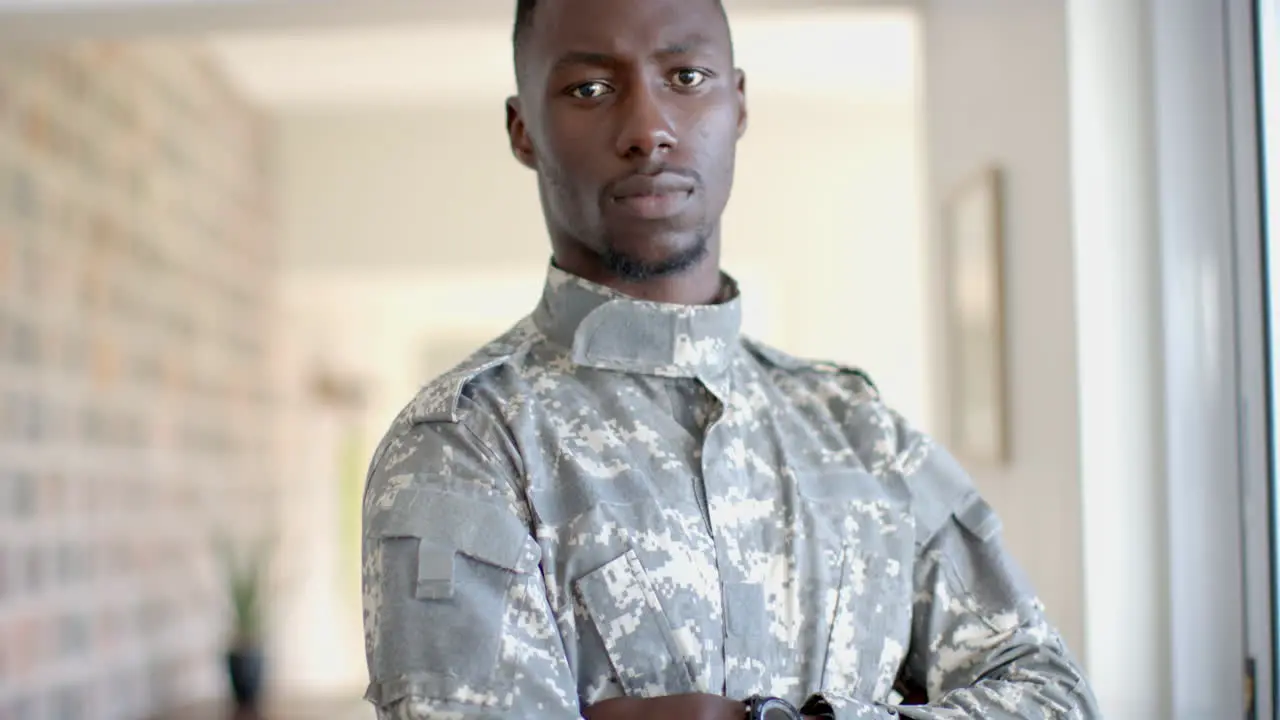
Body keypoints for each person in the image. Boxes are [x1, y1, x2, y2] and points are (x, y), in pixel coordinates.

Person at [360, 0, 1101, 718]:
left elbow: (1051, 696)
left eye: (685, 78)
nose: (648, 129)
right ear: (525, 131)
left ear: (738, 103)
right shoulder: (464, 444)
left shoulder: (859, 430)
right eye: (590, 89)